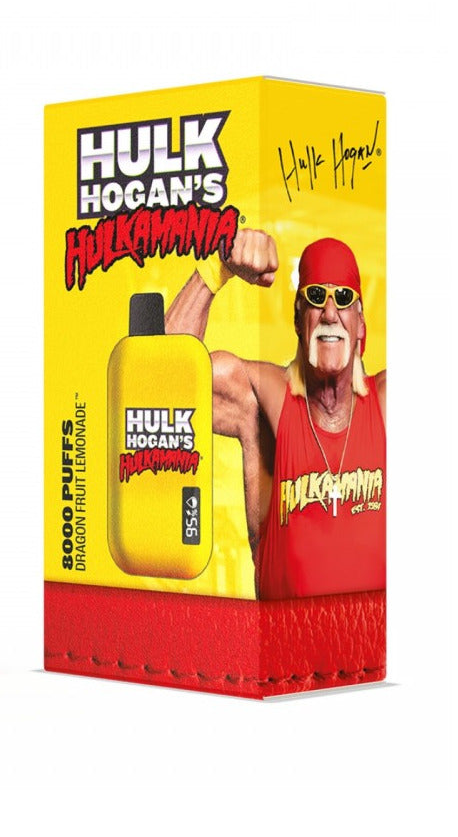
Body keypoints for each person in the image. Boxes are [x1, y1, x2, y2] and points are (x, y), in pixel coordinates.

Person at [165, 232, 385, 600]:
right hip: (283, 636)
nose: (330, 313)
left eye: (344, 299)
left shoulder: (388, 406)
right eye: (316, 297)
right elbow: (163, 380)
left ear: (361, 324)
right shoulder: (263, 403)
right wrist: (216, 268)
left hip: (374, 637)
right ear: (298, 319)